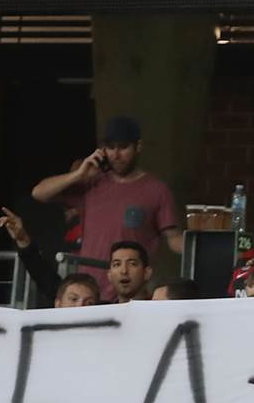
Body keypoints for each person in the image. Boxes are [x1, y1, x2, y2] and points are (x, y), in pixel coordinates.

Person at [29, 116, 181, 298]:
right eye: (110, 147)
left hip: (130, 294)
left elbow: (174, 238)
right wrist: (78, 174)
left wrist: (204, 246)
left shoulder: (157, 190)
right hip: (89, 293)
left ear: (138, 146)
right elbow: (39, 193)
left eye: (123, 147)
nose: (116, 155)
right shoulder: (92, 183)